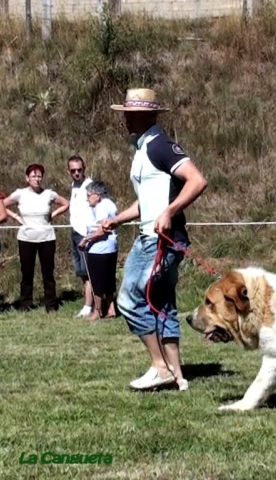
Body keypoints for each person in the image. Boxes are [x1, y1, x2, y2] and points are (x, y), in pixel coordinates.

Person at [102, 88, 208, 391]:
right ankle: (178, 376)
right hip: (152, 236)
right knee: (162, 305)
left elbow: (197, 180)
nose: (126, 120)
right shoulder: (142, 149)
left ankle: (159, 366)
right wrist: (116, 220)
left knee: (129, 299)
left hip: (159, 240)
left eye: (131, 115)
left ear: (148, 115)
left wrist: (171, 211)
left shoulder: (160, 145)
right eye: (125, 114)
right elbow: (148, 202)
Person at [3, 164, 70, 312]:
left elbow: (66, 203)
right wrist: (15, 216)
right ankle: (26, 304)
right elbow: (2, 204)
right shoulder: (19, 194)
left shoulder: (49, 194)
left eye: (39, 176)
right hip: (26, 238)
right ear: (27, 178)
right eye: (33, 176)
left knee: (48, 273)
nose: (37, 179)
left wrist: (53, 215)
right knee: (27, 273)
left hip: (46, 237)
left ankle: (51, 305)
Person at [78, 181, 118, 321]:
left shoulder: (101, 207)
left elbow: (102, 231)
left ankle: (97, 311)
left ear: (97, 195)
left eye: (89, 195)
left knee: (97, 281)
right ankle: (111, 309)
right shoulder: (110, 204)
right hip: (111, 248)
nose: (87, 198)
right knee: (108, 281)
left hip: (100, 249)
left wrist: (87, 239)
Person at [68, 155, 95, 317]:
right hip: (75, 232)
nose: (77, 173)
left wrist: (91, 235)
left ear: (84, 168)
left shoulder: (90, 186)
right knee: (81, 273)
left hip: (86, 234)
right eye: (73, 170)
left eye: (79, 170)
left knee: (88, 273)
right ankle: (88, 305)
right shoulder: (73, 186)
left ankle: (88, 306)